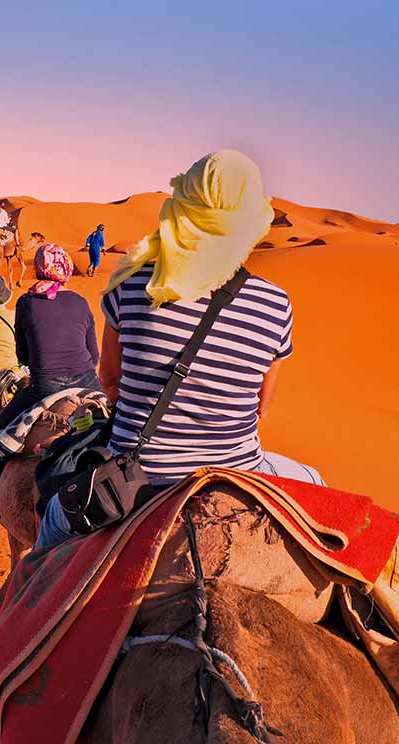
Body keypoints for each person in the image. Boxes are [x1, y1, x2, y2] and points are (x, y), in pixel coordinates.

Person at [34, 149, 323, 550]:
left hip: (138, 479)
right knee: (317, 484)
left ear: (181, 207)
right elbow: (263, 406)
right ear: (250, 222)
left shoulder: (131, 286)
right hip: (237, 475)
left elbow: (109, 380)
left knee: (51, 523)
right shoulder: (275, 303)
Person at [0, 244, 98, 523]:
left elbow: (23, 356)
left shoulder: (27, 303)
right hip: (90, 384)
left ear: (40, 268)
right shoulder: (81, 300)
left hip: (45, 387)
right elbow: (94, 354)